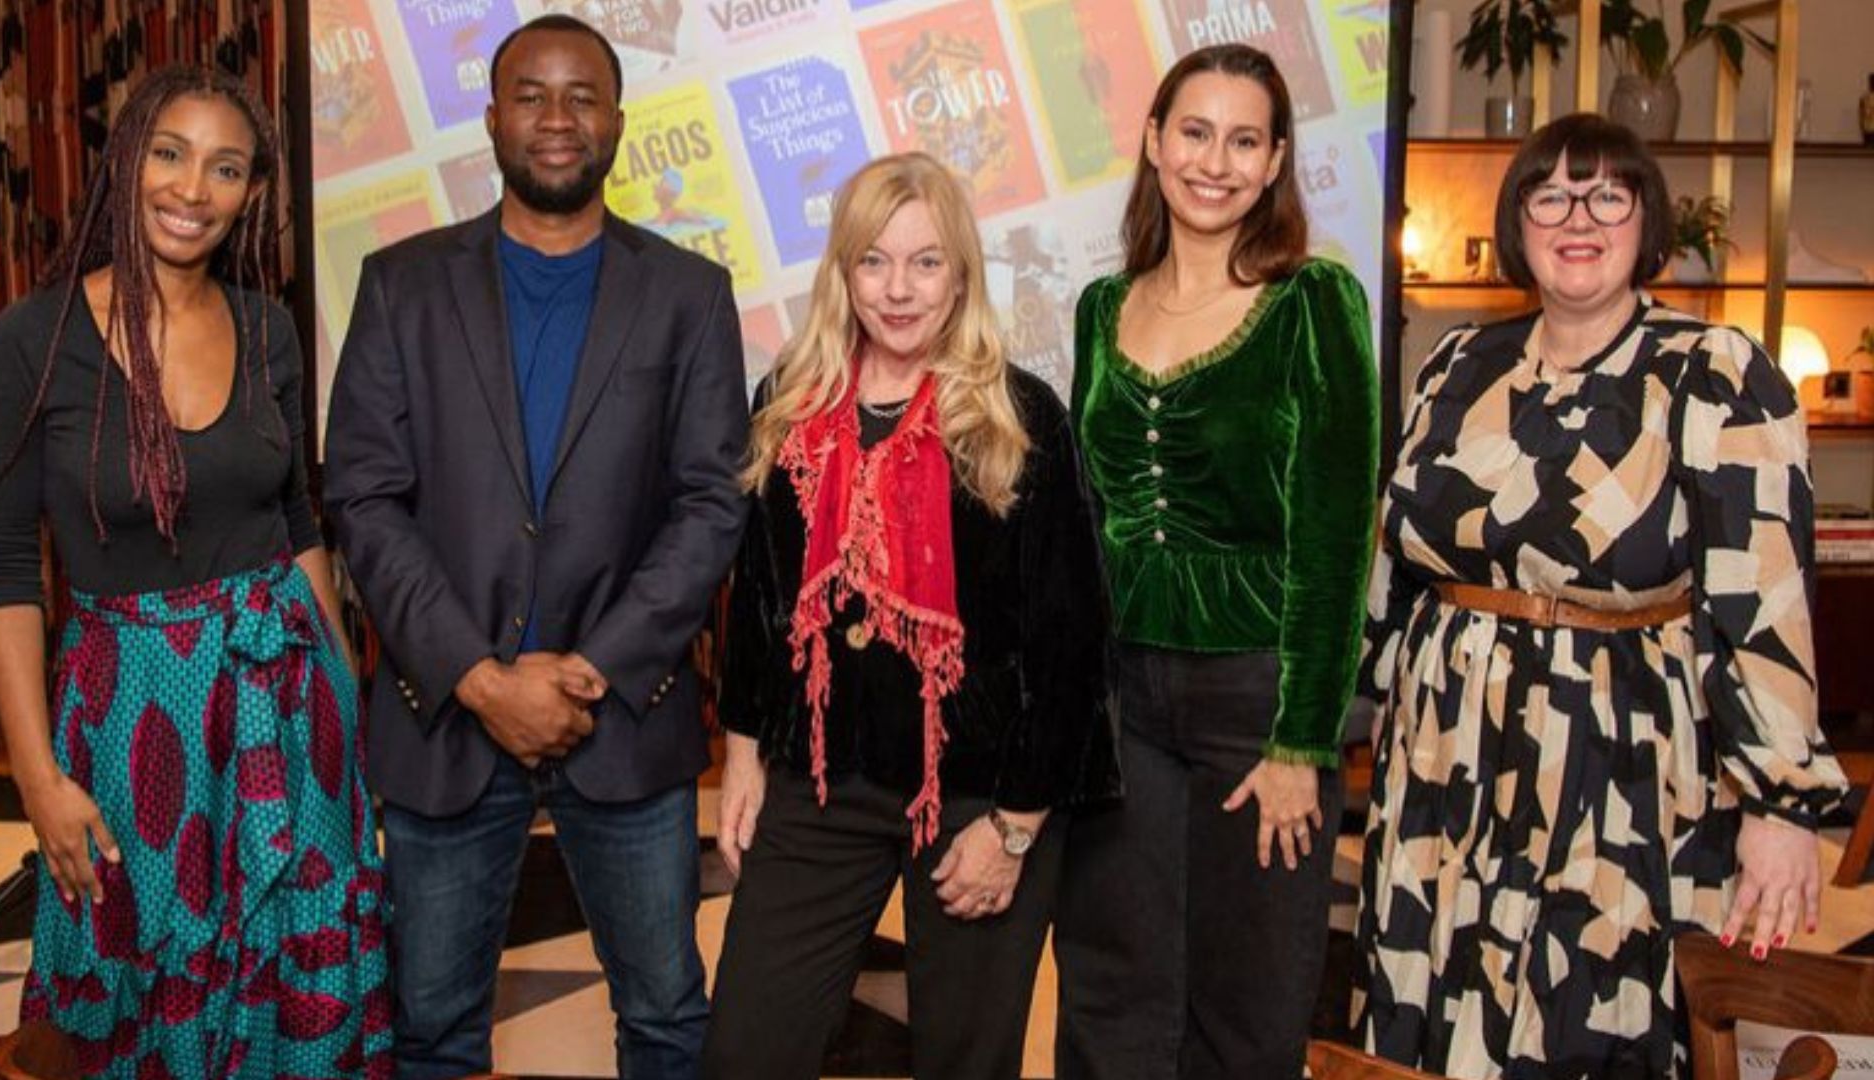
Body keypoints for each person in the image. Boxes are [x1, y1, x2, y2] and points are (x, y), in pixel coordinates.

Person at [1354, 112, 1850, 1079]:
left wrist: (1782, 804)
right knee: (1431, 1006)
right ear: (1518, 220)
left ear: (1646, 221)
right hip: (1442, 759)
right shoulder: (1458, 363)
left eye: (1608, 194)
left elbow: (1765, 594)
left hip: (1615, 767)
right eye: (1551, 194)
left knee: (1585, 1019)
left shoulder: (1715, 373)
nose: (1578, 217)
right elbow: (1396, 552)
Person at [322, 15, 748, 1080]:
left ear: (616, 119)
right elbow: (364, 498)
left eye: (581, 96)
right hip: (444, 717)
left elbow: (710, 503)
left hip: (628, 719)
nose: (557, 119)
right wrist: (477, 675)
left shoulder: (689, 295)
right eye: (531, 94)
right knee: (429, 1029)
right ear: (490, 118)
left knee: (664, 1017)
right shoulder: (400, 284)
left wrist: (592, 669)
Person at [0, 66, 389, 1076]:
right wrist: (36, 776)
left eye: (226, 167)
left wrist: (345, 720)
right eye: (170, 153)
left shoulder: (267, 328)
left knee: (303, 955)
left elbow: (298, 525)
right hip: (130, 719)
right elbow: (3, 569)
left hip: (288, 705)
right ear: (125, 159)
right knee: (134, 988)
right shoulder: (36, 339)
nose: (192, 188)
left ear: (252, 194)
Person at [701, 152, 1117, 1080]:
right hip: (820, 777)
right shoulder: (790, 405)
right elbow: (760, 602)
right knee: (743, 1051)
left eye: (925, 263)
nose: (898, 290)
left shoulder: (1019, 418)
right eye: (874, 262)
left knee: (967, 1062)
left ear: (962, 273)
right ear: (843, 272)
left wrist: (1013, 828)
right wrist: (740, 756)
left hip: (977, 793)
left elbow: (1070, 647)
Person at [1053, 44, 1381, 1080]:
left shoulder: (1314, 302)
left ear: (1278, 159)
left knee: (1247, 999)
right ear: (1153, 142)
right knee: (1114, 980)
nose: (1216, 162)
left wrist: (1303, 743)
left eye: (1246, 140)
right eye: (1195, 132)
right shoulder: (1103, 312)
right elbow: (1090, 518)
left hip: (1257, 699)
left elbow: (1336, 542)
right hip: (1122, 702)